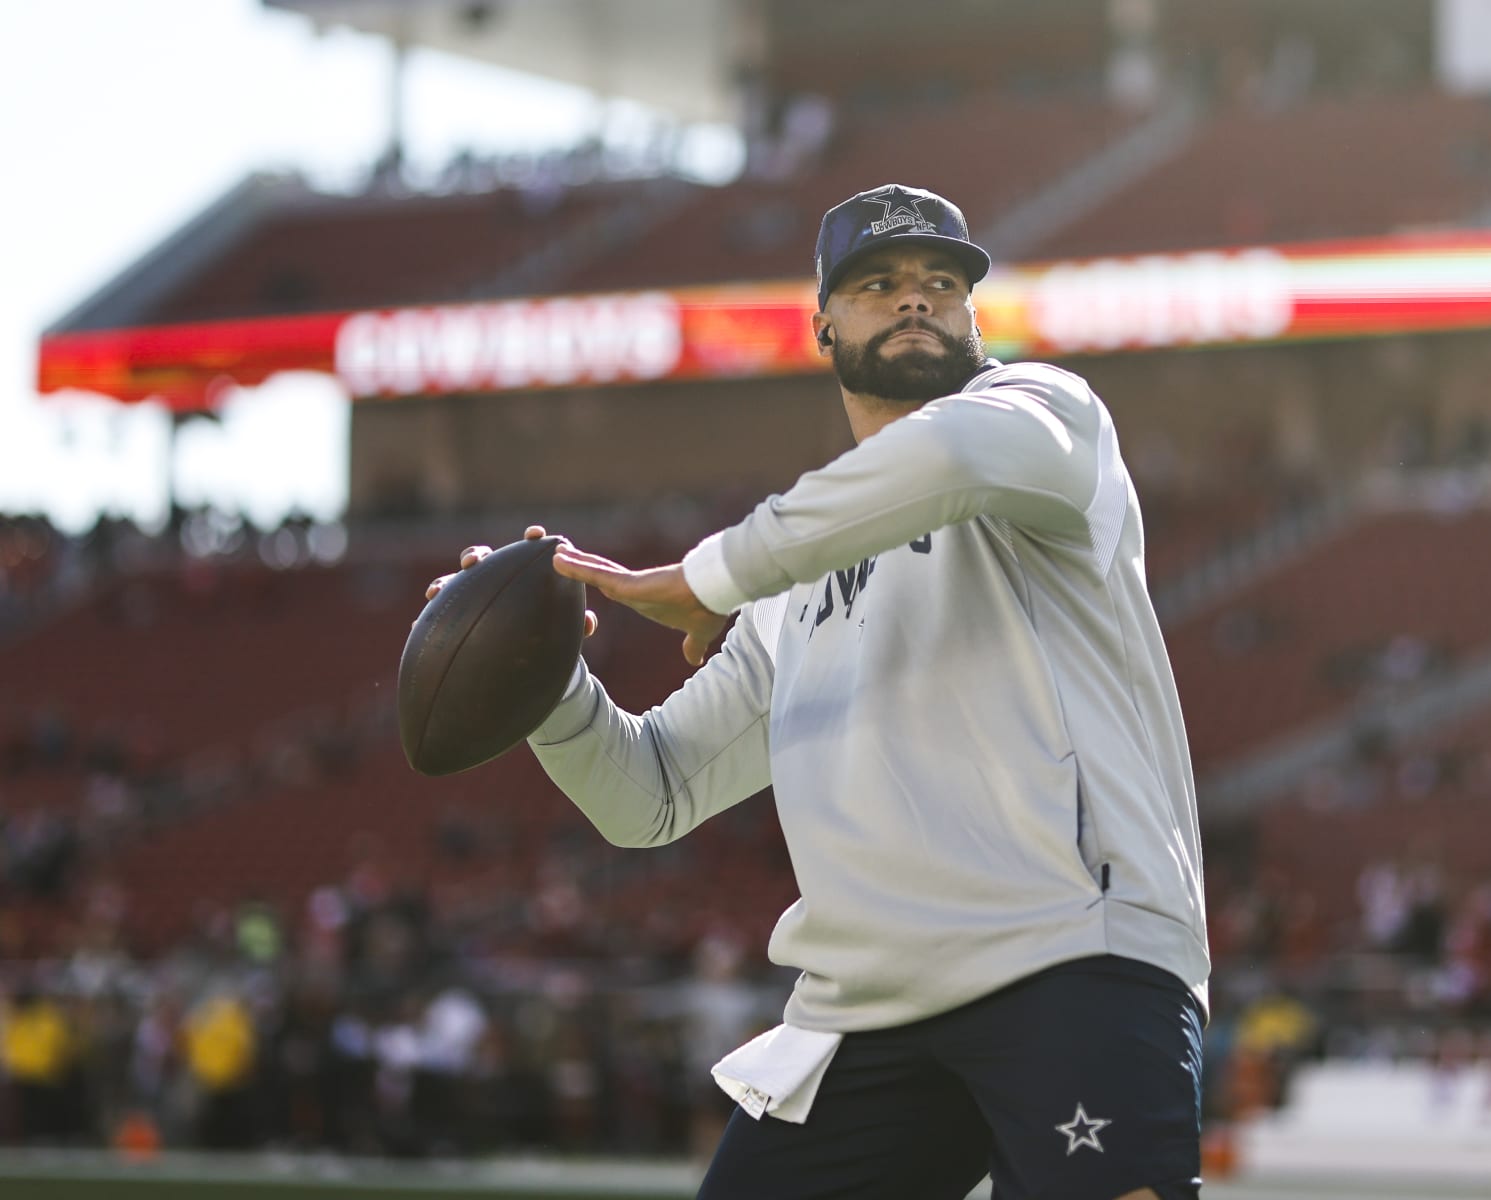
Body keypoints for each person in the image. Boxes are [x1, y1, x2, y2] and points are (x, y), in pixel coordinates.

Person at [428, 184, 1211, 1198]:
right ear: (823, 325)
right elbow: (652, 793)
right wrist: (546, 685)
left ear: (975, 317)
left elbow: (947, 455)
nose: (915, 301)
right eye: (878, 284)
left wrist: (705, 577)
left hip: (1070, 958)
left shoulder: (1046, 422)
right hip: (867, 1004)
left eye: (940, 283)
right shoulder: (784, 584)